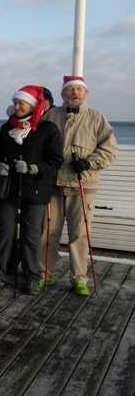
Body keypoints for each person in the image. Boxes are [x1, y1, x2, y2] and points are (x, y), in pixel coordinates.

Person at [39, 75, 118, 295]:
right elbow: (39, 144)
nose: (75, 93)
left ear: (86, 93)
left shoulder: (96, 118)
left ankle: (79, 279)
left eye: (79, 89)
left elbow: (110, 149)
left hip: (82, 184)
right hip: (53, 185)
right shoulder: (50, 115)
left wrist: (89, 163)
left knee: (79, 234)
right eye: (70, 89)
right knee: (48, 232)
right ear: (63, 93)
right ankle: (44, 274)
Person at [0, 85, 63, 295]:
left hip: (35, 191)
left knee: (30, 235)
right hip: (8, 189)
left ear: (33, 105)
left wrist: (33, 168)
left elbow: (56, 161)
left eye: (21, 103)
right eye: (15, 103)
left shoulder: (47, 129)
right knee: (5, 232)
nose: (17, 107)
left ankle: (31, 277)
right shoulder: (6, 129)